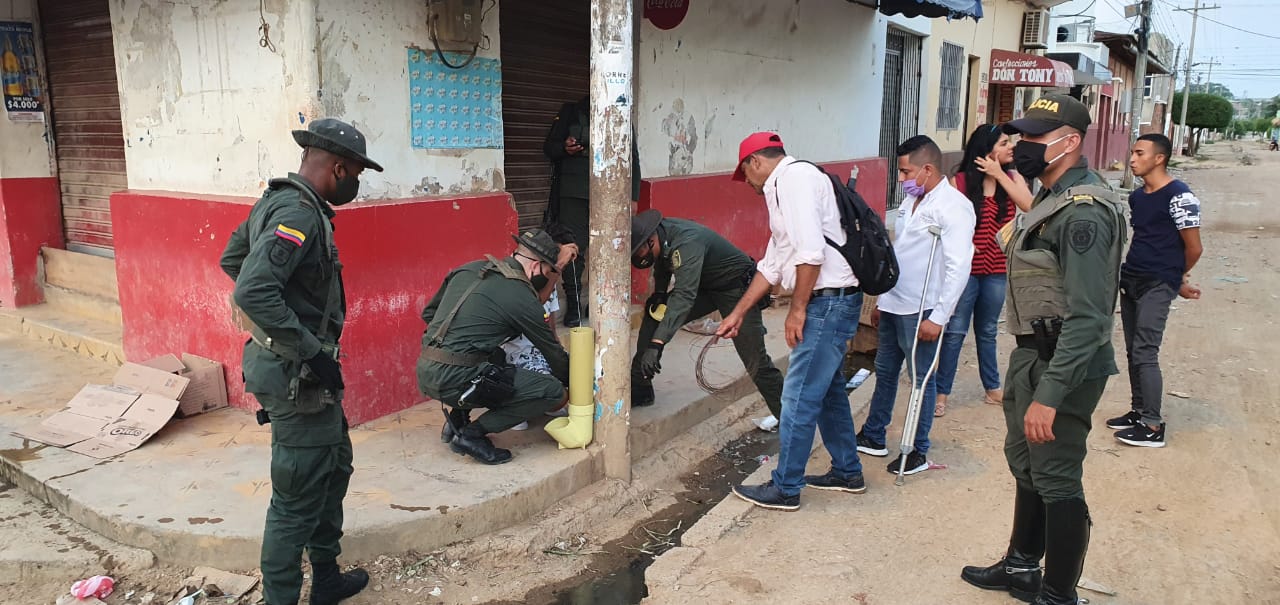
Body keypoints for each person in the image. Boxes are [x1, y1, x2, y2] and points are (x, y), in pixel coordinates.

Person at [960, 93, 1127, 605]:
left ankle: (1058, 594)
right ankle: (1021, 567)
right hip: (1035, 352)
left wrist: (1050, 394)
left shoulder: (1085, 215)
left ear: (1070, 142)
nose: (1021, 146)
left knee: (1056, 477)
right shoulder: (1053, 199)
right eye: (1020, 136)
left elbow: (1089, 317)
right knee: (1027, 464)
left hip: (1065, 362)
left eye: (1033, 138)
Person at [220, 118, 382, 605]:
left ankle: (326, 578)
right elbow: (251, 287)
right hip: (296, 375)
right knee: (294, 497)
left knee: (333, 466)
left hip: (306, 374)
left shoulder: (277, 202)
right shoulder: (298, 213)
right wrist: (308, 347)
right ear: (338, 168)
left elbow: (235, 260)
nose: (355, 183)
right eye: (355, 173)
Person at [717, 132, 865, 511]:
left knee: (798, 396)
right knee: (829, 391)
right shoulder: (787, 185)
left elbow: (811, 254)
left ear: (755, 163)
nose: (748, 184)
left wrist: (797, 310)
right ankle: (847, 471)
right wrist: (739, 312)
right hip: (832, 302)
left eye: (745, 174)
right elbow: (772, 263)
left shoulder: (792, 180)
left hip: (826, 304)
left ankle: (786, 487)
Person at [853, 135, 974, 475]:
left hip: (923, 308)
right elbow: (901, 252)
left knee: (921, 378)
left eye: (906, 172)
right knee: (886, 372)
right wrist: (882, 301)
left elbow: (958, 266)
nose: (902, 180)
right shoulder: (913, 201)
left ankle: (918, 449)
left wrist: (939, 316)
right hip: (895, 303)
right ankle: (874, 434)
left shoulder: (954, 207)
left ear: (928, 169)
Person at [416, 229, 572, 465]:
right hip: (454, 379)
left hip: (426, 369)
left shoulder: (469, 268)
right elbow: (552, 353)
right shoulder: (522, 296)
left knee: (495, 355)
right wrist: (576, 384)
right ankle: (471, 435)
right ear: (536, 267)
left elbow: (429, 314)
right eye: (549, 271)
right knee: (550, 390)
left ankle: (457, 419)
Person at [629, 209, 784, 427]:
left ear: (650, 241)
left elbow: (684, 296)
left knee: (755, 360)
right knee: (655, 316)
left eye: (638, 252)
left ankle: (788, 419)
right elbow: (663, 265)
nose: (638, 257)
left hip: (736, 289)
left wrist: (657, 343)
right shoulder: (662, 235)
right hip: (706, 286)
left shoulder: (686, 242)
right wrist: (661, 294)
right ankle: (641, 386)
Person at [1106, 133, 1203, 448]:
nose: (1132, 159)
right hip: (1131, 277)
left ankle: (1152, 425)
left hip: (1158, 283)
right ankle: (1138, 411)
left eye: (1139, 153)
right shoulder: (1138, 196)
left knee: (1146, 350)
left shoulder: (1180, 196)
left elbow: (1194, 248)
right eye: (1132, 152)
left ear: (1159, 158)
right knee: (1134, 349)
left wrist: (1177, 278)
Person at [933, 124, 1033, 417]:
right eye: (1003, 143)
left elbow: (1029, 206)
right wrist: (988, 191)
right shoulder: (959, 182)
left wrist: (999, 177)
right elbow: (966, 228)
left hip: (997, 269)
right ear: (986, 150)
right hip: (966, 271)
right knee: (955, 331)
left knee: (987, 330)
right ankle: (941, 392)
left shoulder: (1013, 178)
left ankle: (992, 388)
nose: (1010, 147)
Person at [542, 96, 641, 328]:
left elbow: (632, 156)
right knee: (574, 248)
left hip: (611, 192)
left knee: (608, 248)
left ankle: (602, 301)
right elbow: (550, 148)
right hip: (573, 193)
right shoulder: (570, 111)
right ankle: (575, 304)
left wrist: (633, 196)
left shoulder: (621, 116)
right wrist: (565, 148)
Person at [499, 223, 579, 431]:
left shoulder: (547, 276)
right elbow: (535, 302)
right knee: (550, 394)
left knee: (568, 387)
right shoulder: (518, 273)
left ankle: (540, 398)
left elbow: (549, 323)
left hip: (536, 354)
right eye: (557, 253)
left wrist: (558, 353)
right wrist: (558, 267)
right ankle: (510, 406)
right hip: (511, 357)